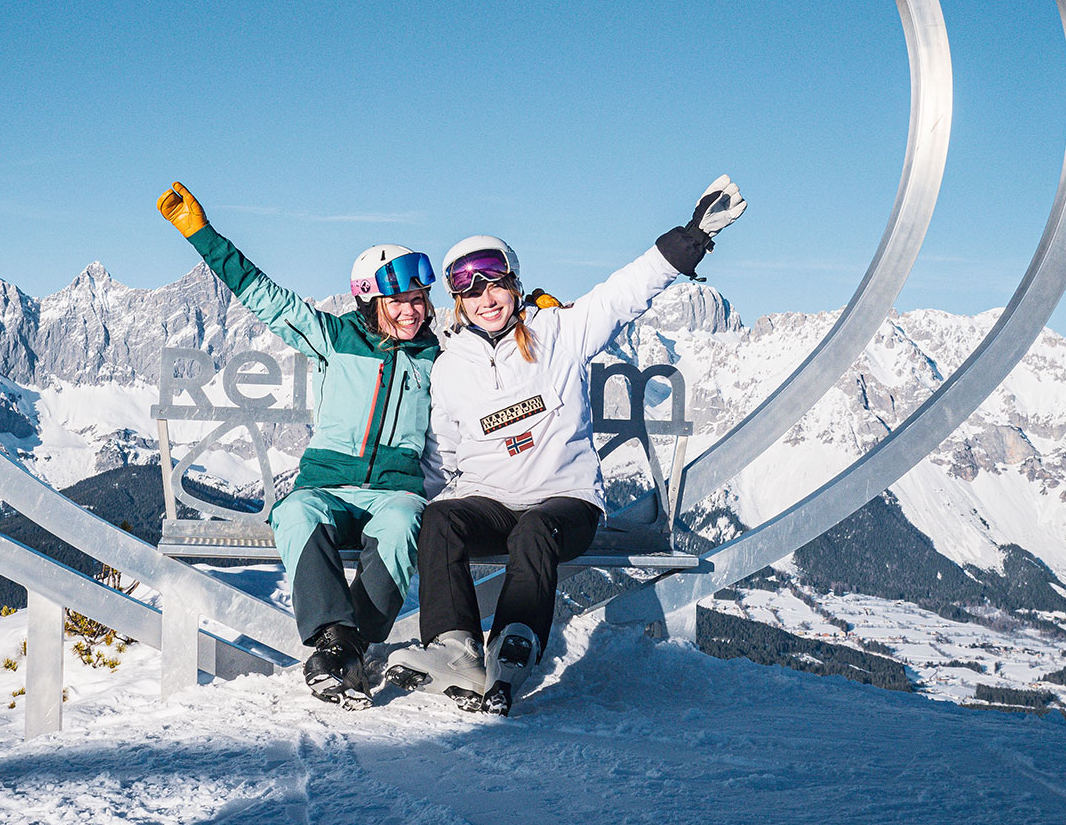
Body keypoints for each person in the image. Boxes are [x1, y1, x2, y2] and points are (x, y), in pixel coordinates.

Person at [386, 176, 747, 715]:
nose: (486, 299)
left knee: (535, 532)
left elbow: (626, 292)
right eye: (470, 290)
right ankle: (455, 647)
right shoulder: (451, 366)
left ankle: (513, 647)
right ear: (456, 301)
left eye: (495, 284)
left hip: (565, 502)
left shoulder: (560, 331)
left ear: (513, 283)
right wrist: (396, 503)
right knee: (441, 522)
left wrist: (691, 237)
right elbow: (442, 457)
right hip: (490, 499)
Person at [157, 182, 440, 707]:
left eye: (419, 300)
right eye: (399, 301)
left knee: (404, 523)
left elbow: (497, 334)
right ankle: (339, 642)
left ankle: (346, 651)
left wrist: (537, 311)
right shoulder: (334, 337)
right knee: (294, 513)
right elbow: (265, 296)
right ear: (370, 300)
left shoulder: (438, 357)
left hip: (393, 492)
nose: (412, 311)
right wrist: (202, 235)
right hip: (329, 485)